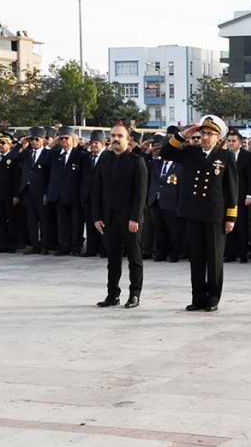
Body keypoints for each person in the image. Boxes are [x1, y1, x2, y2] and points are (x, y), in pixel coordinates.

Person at [160, 115, 239, 312]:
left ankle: (213, 297)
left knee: (213, 258)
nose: (204, 137)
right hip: (192, 212)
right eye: (202, 133)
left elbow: (232, 188)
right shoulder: (190, 153)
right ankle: (198, 297)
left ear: (218, 137)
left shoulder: (225, 157)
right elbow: (165, 152)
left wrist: (231, 216)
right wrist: (182, 135)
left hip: (214, 214)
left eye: (209, 134)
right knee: (196, 258)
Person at [93, 125, 148, 309]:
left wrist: (135, 218)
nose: (116, 139)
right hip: (109, 218)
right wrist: (97, 217)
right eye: (113, 136)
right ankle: (112, 294)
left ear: (128, 139)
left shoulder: (136, 161)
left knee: (134, 258)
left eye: (120, 136)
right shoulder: (105, 159)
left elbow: (141, 194)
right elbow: (97, 189)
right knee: (113, 259)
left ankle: (134, 295)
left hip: (130, 219)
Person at [46, 126, 86, 257]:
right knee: (62, 222)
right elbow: (43, 161)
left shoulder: (79, 154)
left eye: (66, 138)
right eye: (61, 138)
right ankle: (63, 246)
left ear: (72, 139)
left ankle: (76, 246)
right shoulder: (54, 154)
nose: (64, 141)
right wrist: (51, 144)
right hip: (59, 195)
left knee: (76, 223)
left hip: (74, 195)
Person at [18, 127, 53, 255]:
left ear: (43, 140)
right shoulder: (27, 153)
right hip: (27, 191)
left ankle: (45, 245)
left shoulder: (48, 154)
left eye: (36, 139)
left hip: (41, 192)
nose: (34, 142)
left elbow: (51, 175)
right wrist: (22, 143)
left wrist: (47, 192)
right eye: (32, 139)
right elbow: (13, 156)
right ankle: (34, 245)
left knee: (43, 220)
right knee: (31, 220)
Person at [146, 142, 183, 262]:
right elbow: (142, 163)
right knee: (158, 229)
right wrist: (148, 151)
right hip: (155, 201)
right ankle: (160, 252)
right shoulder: (156, 164)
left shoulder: (179, 166)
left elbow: (181, 187)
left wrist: (179, 204)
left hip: (171, 202)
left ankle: (174, 253)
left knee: (173, 230)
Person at [224, 129, 251, 263]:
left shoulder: (246, 156)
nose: (231, 143)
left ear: (240, 143)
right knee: (228, 224)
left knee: (242, 225)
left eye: (233, 141)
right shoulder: (224, 155)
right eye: (229, 141)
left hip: (241, 194)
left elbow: (250, 176)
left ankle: (242, 254)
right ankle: (230, 253)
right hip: (226, 195)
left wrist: (249, 195)